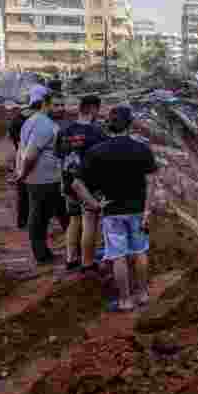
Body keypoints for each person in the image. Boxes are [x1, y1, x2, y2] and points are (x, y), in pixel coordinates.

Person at [82, 105, 158, 312]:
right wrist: (147, 211)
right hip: (137, 210)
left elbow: (77, 182)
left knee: (118, 256)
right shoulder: (142, 149)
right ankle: (142, 294)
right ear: (130, 124)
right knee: (140, 251)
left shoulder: (96, 152)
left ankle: (125, 300)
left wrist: (94, 204)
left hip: (112, 212)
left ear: (108, 126)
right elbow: (151, 182)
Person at [16, 88, 70, 265]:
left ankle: (44, 254)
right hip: (46, 180)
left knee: (40, 216)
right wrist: (22, 174)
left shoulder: (32, 121)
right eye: (56, 105)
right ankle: (72, 252)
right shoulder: (44, 125)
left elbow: (21, 151)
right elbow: (30, 154)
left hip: (40, 179)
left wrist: (21, 172)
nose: (61, 109)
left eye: (63, 105)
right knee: (59, 215)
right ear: (45, 105)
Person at [54, 95, 107, 273]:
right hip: (87, 184)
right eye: (97, 110)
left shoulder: (64, 131)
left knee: (74, 219)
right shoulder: (97, 133)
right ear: (93, 109)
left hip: (68, 181)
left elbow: (59, 156)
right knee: (89, 221)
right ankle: (88, 262)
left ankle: (70, 258)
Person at [8, 86, 46, 229]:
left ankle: (23, 222)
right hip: (38, 160)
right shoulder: (41, 118)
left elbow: (15, 141)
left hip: (22, 158)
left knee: (23, 192)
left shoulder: (17, 119)